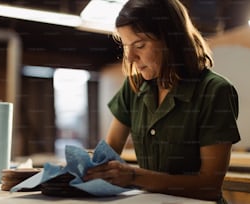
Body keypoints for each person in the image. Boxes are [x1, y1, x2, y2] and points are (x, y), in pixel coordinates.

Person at [83, 0, 241, 203]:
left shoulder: (214, 91)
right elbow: (107, 154)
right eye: (126, 46)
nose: (130, 57)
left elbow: (209, 186)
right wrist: (84, 170)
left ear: (171, 40)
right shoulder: (134, 87)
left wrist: (134, 176)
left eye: (139, 45)